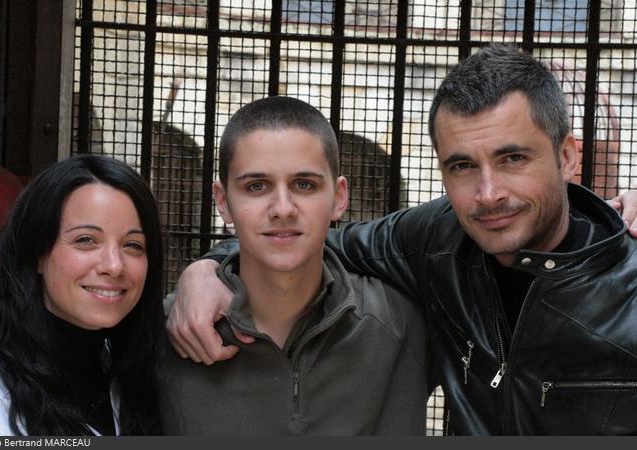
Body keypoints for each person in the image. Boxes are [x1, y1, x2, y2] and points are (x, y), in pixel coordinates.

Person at [167, 45, 637, 435]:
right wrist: (207, 268)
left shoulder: (629, 289)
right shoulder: (439, 237)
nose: (488, 193)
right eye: (462, 166)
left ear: (568, 155)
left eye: (513, 157)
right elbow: (307, 237)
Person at [157, 96, 427, 435]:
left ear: (339, 197)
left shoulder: (402, 323)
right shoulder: (164, 333)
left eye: (304, 185)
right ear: (223, 202)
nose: (282, 208)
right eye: (257, 186)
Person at [0, 155, 165, 435]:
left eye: (133, 245)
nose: (115, 265)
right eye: (86, 240)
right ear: (37, 252)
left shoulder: (133, 369)